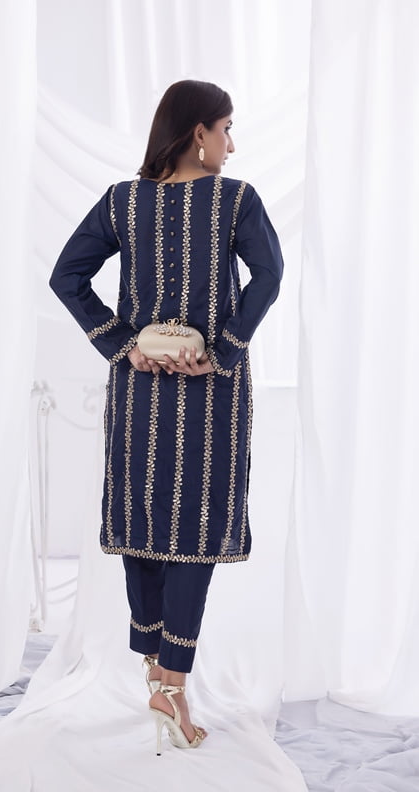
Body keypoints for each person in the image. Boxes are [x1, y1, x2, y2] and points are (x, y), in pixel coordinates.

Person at [49, 79, 284, 755]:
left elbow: (67, 276)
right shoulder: (226, 201)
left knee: (156, 526)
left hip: (153, 389)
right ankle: (171, 686)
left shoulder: (130, 202)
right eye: (226, 129)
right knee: (183, 530)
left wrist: (130, 347)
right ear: (197, 132)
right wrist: (213, 350)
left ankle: (160, 674)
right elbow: (269, 275)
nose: (231, 145)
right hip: (197, 389)